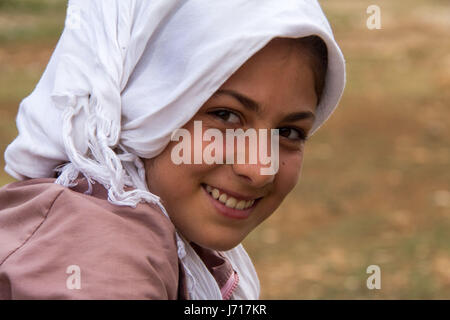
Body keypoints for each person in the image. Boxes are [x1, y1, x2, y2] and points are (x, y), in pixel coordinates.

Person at [0, 0, 345, 299]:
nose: (259, 169)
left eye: (289, 132)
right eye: (225, 115)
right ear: (138, 98)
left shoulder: (175, 240)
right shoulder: (102, 251)